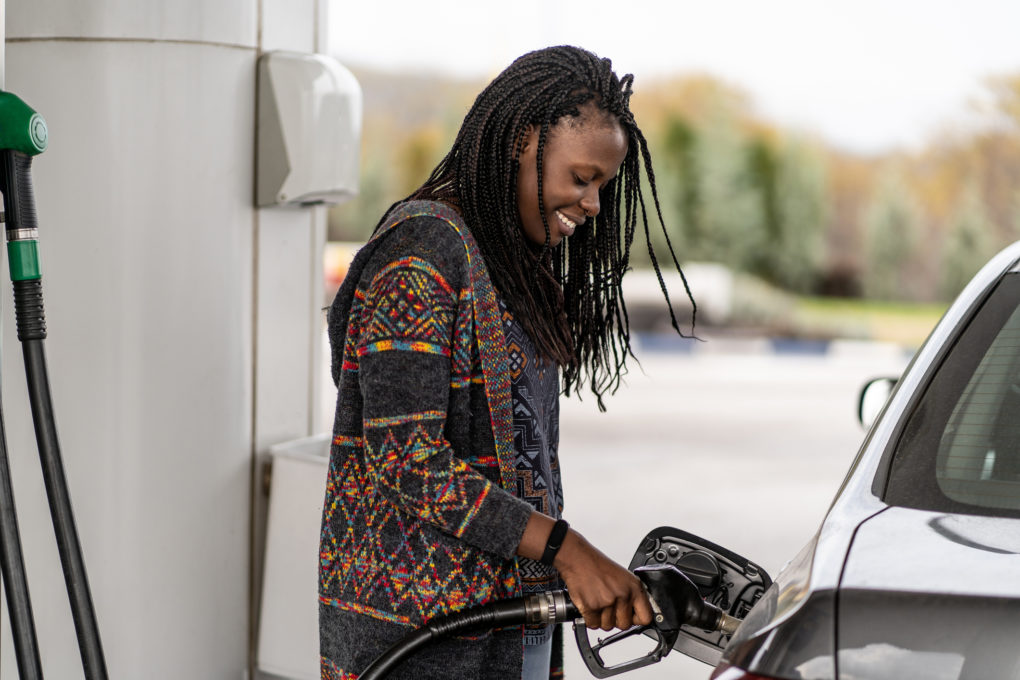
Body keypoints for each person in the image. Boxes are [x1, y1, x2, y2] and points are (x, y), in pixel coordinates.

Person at [319, 45, 695, 679]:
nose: (595, 204)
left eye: (603, 184)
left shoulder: (512, 263)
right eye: (581, 178)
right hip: (421, 647)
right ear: (523, 140)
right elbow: (406, 459)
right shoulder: (421, 254)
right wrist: (565, 548)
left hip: (509, 625)